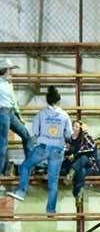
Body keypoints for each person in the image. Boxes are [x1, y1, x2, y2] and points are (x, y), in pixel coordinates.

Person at [9, 86, 72, 214]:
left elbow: (35, 132)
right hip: (58, 150)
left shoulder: (41, 113)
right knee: (53, 182)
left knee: (25, 167)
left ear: (47, 100)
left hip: (43, 147)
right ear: (58, 101)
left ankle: (21, 191)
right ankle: (51, 210)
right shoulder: (65, 115)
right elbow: (68, 134)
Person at [0, 57, 33, 181]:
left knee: (26, 136)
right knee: (3, 143)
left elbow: (14, 101)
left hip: (10, 112)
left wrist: (19, 116)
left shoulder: (9, 83)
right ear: (5, 70)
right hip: (2, 112)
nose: (11, 72)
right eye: (10, 69)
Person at [61, 120, 100, 206]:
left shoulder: (86, 138)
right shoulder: (68, 139)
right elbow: (63, 152)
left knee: (83, 158)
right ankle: (78, 195)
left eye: (76, 126)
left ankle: (71, 174)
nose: (74, 128)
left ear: (80, 128)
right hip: (73, 165)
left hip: (88, 164)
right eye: (73, 126)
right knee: (81, 171)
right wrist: (68, 156)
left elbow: (91, 147)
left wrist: (85, 133)